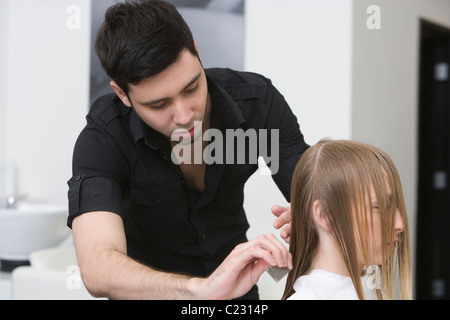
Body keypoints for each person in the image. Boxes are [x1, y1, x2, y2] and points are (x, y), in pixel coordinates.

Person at [67, 0, 307, 300]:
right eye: (159, 104)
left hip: (238, 297)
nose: (183, 116)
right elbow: (97, 268)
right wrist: (199, 290)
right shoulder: (104, 138)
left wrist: (319, 212)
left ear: (196, 50)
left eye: (191, 88)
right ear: (122, 94)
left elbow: (318, 196)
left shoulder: (257, 104)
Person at [282, 140, 412, 300]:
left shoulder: (371, 290)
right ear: (325, 214)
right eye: (380, 207)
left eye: (395, 206)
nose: (400, 225)